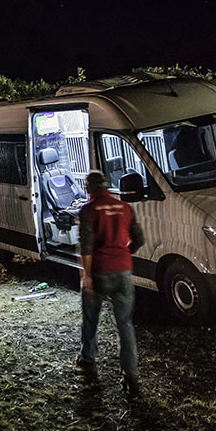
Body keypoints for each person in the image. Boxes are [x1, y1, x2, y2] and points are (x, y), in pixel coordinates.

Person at [76, 170, 145, 397]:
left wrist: (86, 275)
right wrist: (125, 254)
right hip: (123, 271)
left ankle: (88, 356)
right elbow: (139, 239)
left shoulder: (87, 210)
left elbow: (86, 246)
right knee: (124, 324)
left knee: (91, 317)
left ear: (89, 188)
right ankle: (131, 375)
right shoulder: (125, 208)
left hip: (98, 272)